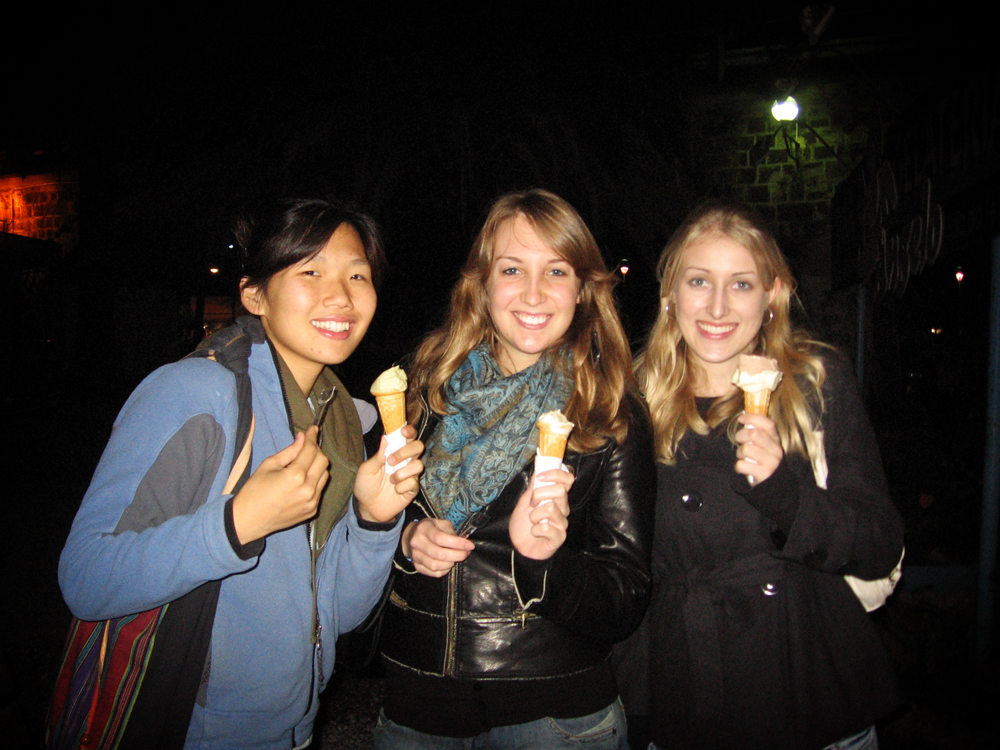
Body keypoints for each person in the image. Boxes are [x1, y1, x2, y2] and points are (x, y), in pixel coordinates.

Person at [57, 197, 424, 749]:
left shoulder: (345, 420)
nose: (341, 296)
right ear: (255, 295)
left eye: (358, 275)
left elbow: (338, 617)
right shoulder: (193, 394)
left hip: (293, 729)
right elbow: (86, 578)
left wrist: (373, 521)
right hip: (193, 729)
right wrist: (236, 524)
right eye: (310, 271)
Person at [372, 189, 655, 749]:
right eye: (511, 268)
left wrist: (545, 564)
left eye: (555, 270)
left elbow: (626, 596)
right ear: (481, 282)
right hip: (417, 709)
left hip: (556, 717)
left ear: (582, 289)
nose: (532, 292)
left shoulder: (610, 413)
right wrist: (403, 541)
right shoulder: (419, 389)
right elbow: (352, 534)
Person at [617, 202, 904, 750]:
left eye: (741, 284)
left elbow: (879, 544)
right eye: (699, 281)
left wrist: (785, 494)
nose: (718, 306)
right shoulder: (630, 398)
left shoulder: (816, 384)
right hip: (683, 693)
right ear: (669, 294)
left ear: (771, 296)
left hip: (806, 688)